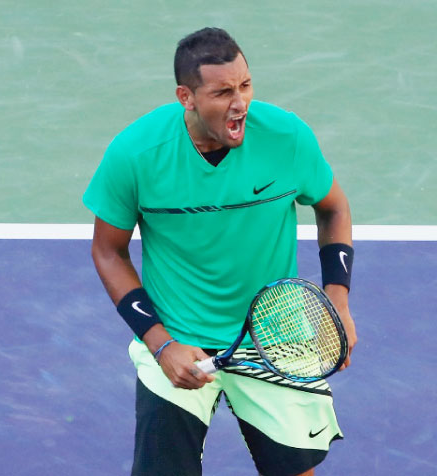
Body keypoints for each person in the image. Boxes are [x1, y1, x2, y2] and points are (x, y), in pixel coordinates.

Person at [83, 27, 357, 476]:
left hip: (276, 337)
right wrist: (162, 343)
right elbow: (108, 252)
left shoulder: (287, 138)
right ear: (186, 97)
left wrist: (338, 302)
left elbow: (334, 209)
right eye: (223, 91)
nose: (240, 103)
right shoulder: (135, 153)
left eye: (245, 85)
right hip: (178, 334)